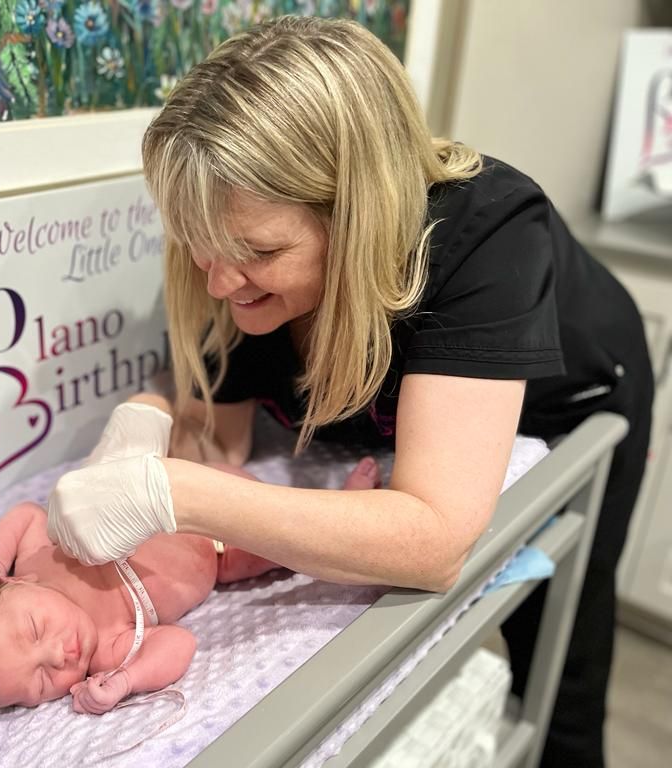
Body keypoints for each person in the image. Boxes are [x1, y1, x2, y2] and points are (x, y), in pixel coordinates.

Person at [44, 16, 653, 768]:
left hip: (575, 397)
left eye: (258, 251)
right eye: (199, 246)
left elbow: (434, 541)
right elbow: (219, 435)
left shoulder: (488, 234)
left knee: (561, 657)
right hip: (398, 390)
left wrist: (174, 491)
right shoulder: (231, 250)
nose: (219, 282)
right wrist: (153, 410)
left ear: (359, 215)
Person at [0, 452, 383, 714]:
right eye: (39, 683)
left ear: (11, 585)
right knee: (286, 542)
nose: (57, 655)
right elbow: (179, 643)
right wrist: (127, 681)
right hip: (222, 547)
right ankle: (340, 511)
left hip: (179, 489)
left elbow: (25, 513)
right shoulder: (105, 652)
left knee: (207, 466)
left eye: (35, 630)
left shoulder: (32, 562)